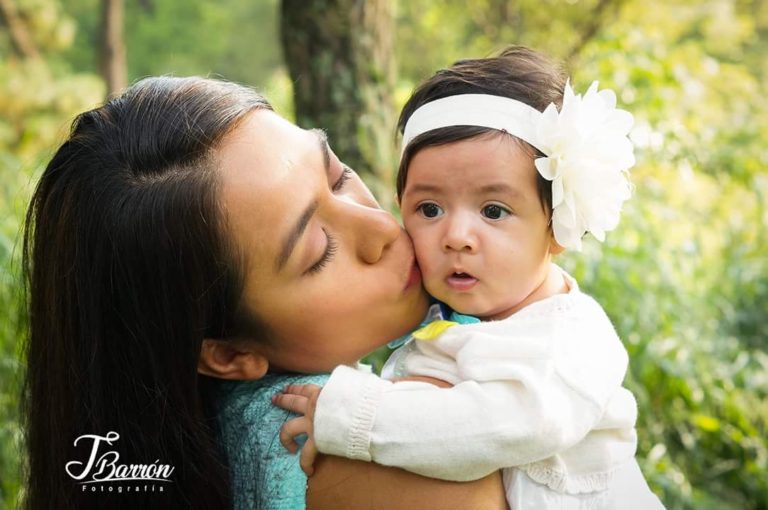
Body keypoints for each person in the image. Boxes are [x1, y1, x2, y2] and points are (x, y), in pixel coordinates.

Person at [22, 76, 507, 509]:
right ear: (229, 354)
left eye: (338, 177)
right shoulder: (352, 459)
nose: (380, 226)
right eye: (318, 251)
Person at [274, 47, 665, 509]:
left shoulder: (568, 339)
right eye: (430, 209)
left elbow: (495, 425)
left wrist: (355, 416)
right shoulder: (449, 313)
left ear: (557, 226)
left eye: (494, 211)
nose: (457, 236)